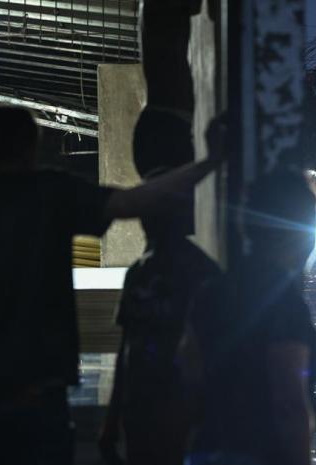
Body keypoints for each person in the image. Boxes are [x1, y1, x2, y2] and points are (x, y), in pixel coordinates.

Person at [0, 105, 223, 465]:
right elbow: (133, 201)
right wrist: (211, 162)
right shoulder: (50, 194)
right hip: (37, 388)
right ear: (32, 146)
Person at [99, 110, 222, 465]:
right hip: (155, 413)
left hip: (172, 415)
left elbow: (126, 352)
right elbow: (126, 350)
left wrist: (111, 424)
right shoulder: (198, 271)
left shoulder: (157, 273)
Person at [188, 164, 316, 465]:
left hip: (208, 451)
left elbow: (189, 381)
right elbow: (289, 405)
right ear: (303, 231)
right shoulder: (286, 305)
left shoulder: (211, 291)